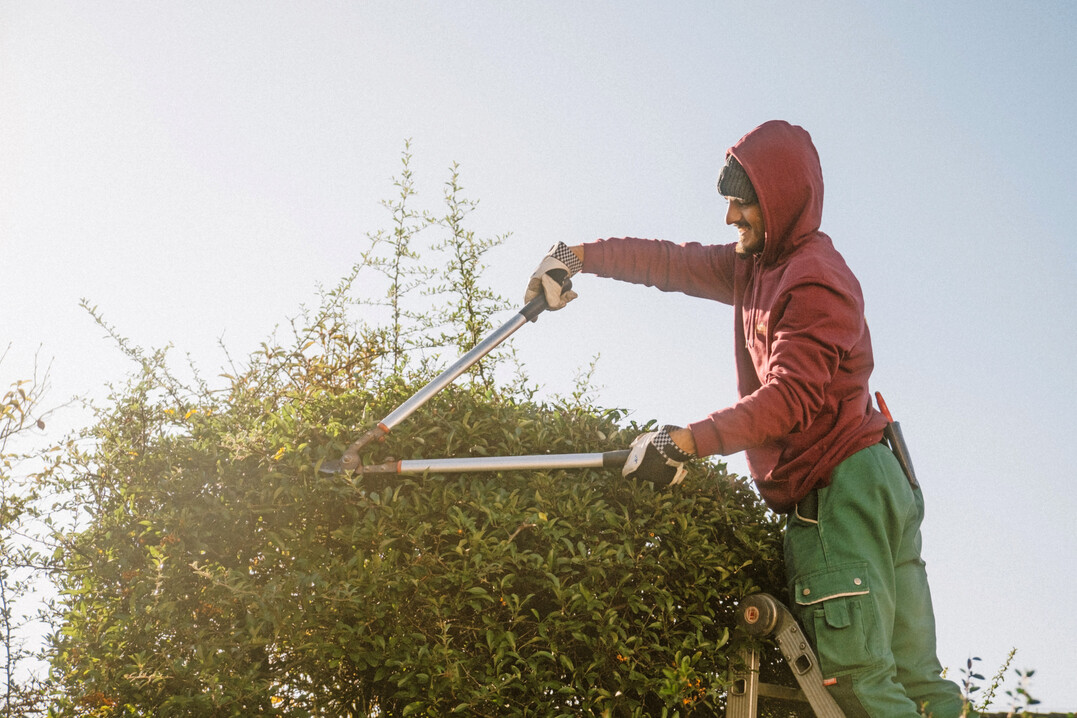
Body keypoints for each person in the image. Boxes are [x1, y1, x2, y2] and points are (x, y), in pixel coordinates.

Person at [524, 120, 967, 717]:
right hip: (874, 476)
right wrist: (576, 257)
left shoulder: (814, 280)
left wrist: (687, 441)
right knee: (920, 686)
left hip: (843, 491)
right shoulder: (758, 265)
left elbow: (791, 398)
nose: (731, 215)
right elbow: (670, 263)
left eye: (743, 200)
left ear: (781, 198)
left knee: (861, 685)